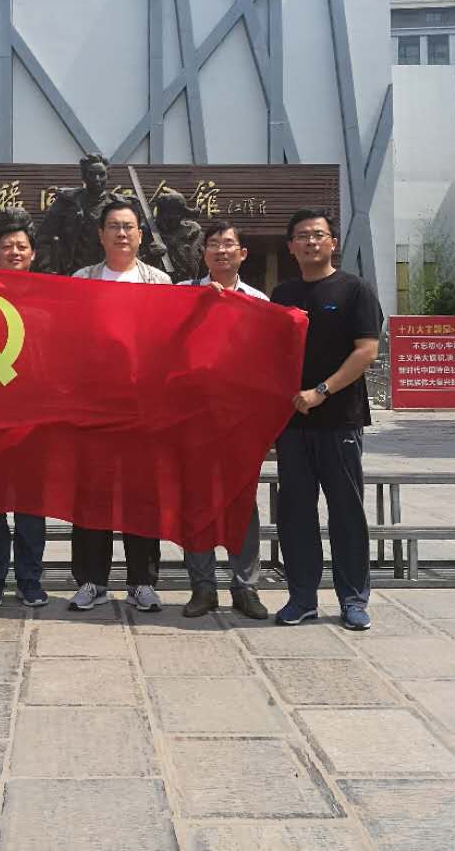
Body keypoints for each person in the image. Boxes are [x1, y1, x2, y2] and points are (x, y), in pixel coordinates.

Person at [271, 208, 382, 631]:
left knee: (346, 512)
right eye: (302, 236)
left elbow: (366, 351)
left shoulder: (355, 290)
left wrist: (321, 391)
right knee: (295, 513)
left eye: (318, 234)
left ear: (333, 242)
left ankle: (353, 599)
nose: (311, 241)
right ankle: (302, 598)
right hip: (293, 425)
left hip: (340, 421)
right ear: (291, 247)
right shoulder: (283, 294)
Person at [66, 200, 173, 612]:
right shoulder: (82, 280)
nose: (122, 233)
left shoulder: (159, 282)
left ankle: (142, 581)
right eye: (114, 226)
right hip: (94, 407)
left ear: (141, 235)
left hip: (143, 408)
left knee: (141, 496)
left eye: (129, 226)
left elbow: (168, 342)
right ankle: (91, 580)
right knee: (92, 495)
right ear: (101, 234)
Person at [176, 220, 269, 619]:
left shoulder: (259, 302)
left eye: (228, 244)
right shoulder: (183, 294)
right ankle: (202, 587)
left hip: (239, 422)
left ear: (242, 253)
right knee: (196, 502)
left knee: (241, 503)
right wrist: (199, 305)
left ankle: (245, 587)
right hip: (192, 419)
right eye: (213, 244)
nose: (221, 250)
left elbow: (268, 362)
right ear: (204, 254)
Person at [0, 210, 49, 608]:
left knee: (31, 506)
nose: (14, 252)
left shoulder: (49, 297)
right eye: (7, 247)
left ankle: (30, 580)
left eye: (21, 246)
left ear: (33, 253)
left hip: (34, 419)